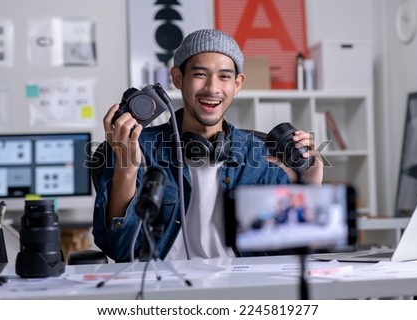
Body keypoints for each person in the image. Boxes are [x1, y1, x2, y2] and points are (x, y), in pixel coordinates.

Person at [92, 29, 323, 262]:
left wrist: (310, 186)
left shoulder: (260, 154)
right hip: (163, 287)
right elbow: (121, 251)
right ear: (178, 78)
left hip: (241, 285)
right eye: (201, 74)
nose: (212, 88)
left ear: (238, 84)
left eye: (224, 77)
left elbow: (292, 251)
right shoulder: (136, 145)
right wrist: (127, 166)